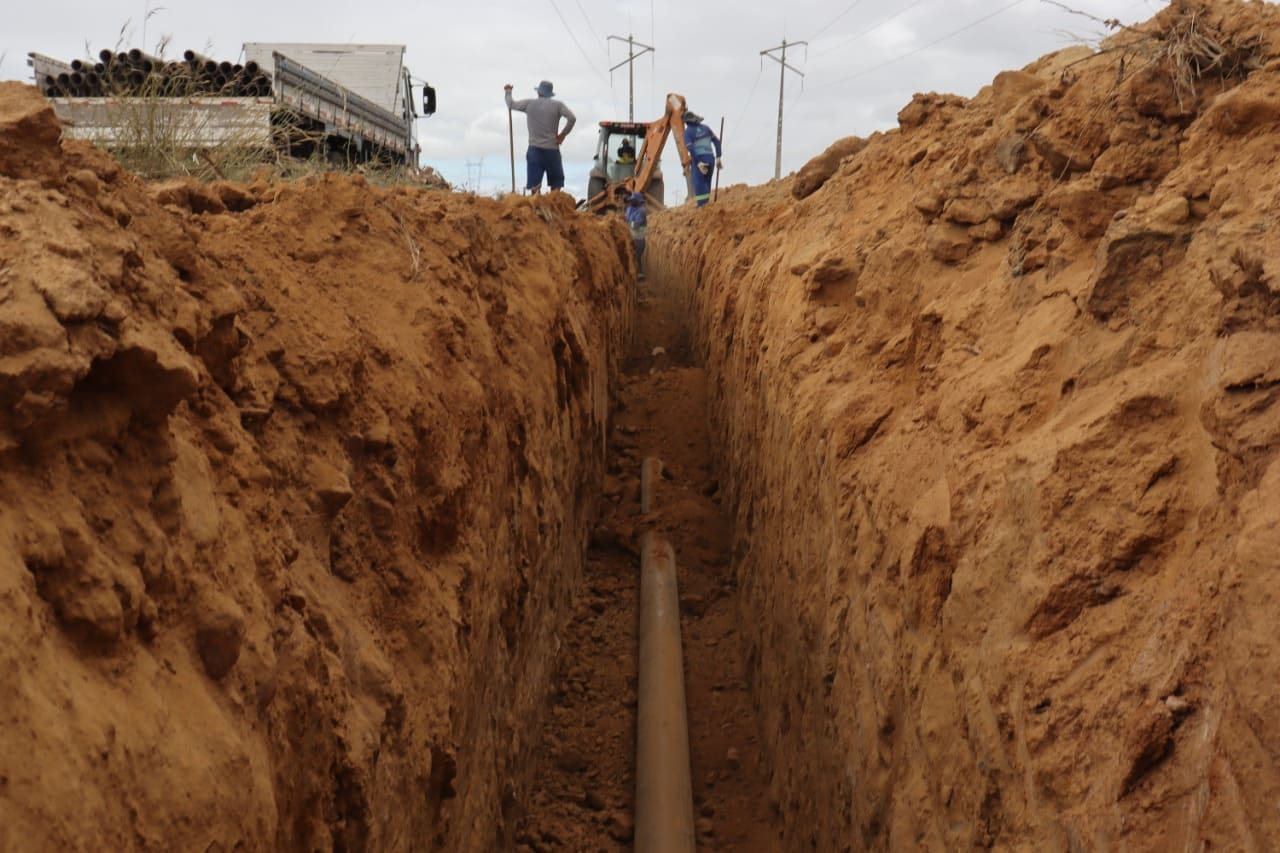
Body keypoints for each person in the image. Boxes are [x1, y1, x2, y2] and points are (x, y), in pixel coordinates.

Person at [504, 80, 576, 194]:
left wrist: (508, 91)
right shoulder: (558, 105)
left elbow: (511, 104)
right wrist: (563, 135)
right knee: (556, 185)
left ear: (538, 92)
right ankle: (555, 203)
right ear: (550, 94)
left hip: (535, 149)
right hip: (552, 150)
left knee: (535, 186)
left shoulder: (529, 104)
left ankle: (535, 203)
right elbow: (572, 118)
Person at [681, 110, 722, 207]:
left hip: (699, 159)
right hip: (711, 159)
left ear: (686, 122)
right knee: (707, 182)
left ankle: (702, 206)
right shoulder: (706, 128)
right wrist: (718, 157)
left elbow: (690, 148)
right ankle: (706, 205)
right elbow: (717, 141)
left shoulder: (687, 132)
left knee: (699, 183)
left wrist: (698, 162)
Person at [625, 192, 648, 278]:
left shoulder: (641, 211)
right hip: (634, 237)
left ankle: (639, 274)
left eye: (633, 200)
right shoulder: (632, 209)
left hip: (639, 239)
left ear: (638, 201)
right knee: (633, 256)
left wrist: (626, 222)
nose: (631, 201)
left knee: (636, 256)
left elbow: (636, 225)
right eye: (630, 200)